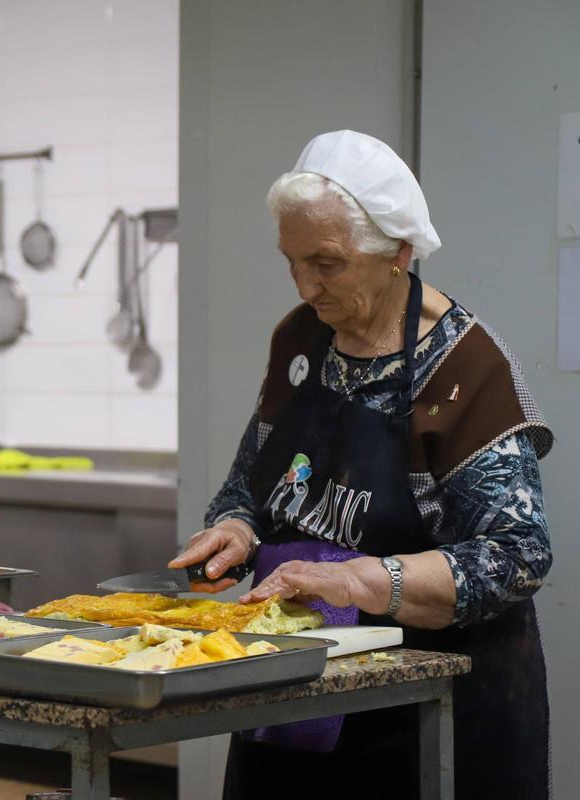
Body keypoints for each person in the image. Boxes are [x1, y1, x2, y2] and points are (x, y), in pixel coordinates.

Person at [170, 130, 552, 798]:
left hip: (431, 716)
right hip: (296, 702)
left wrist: (363, 581)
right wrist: (235, 529)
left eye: (327, 263)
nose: (304, 284)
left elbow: (517, 554)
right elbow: (251, 485)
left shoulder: (464, 369)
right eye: (291, 261)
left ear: (398, 252)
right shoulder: (299, 341)